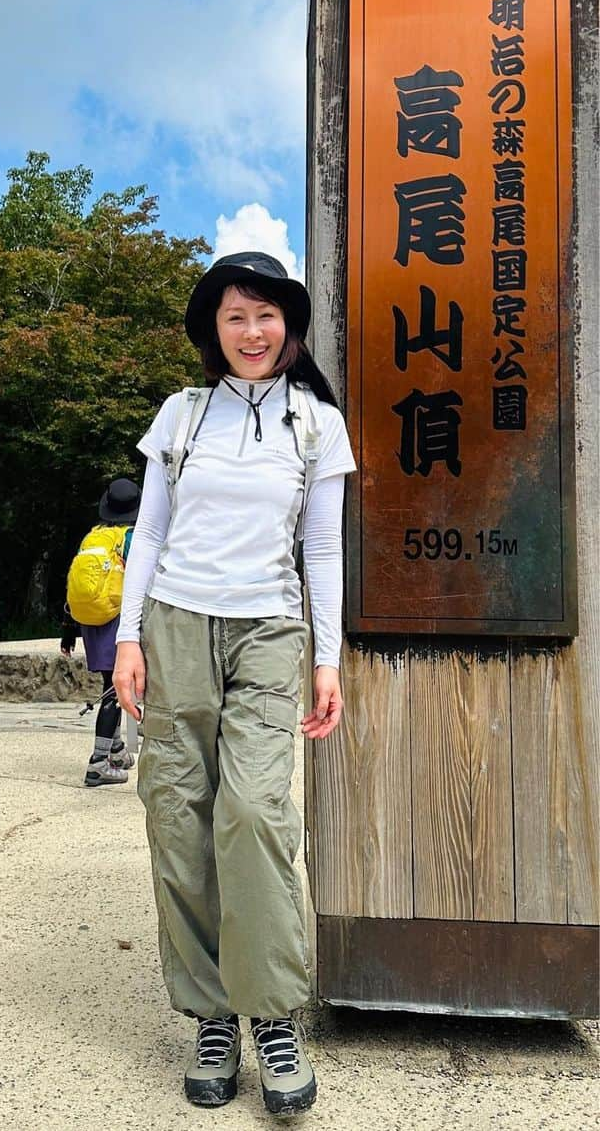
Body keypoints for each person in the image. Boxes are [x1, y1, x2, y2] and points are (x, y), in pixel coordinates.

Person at [112, 252, 356, 1116]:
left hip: (267, 631)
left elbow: (321, 549)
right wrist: (129, 637)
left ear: (289, 326)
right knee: (179, 819)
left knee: (253, 814)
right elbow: (148, 533)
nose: (252, 332)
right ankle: (213, 1014)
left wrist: (326, 659)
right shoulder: (180, 417)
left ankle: (273, 1013)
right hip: (175, 624)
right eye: (233, 317)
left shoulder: (315, 423)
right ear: (212, 330)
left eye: (265, 316)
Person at [60, 478, 142, 787]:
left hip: (90, 622)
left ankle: (117, 749)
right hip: (116, 619)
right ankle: (99, 763)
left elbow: (72, 586)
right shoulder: (131, 538)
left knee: (111, 683)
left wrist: (68, 633)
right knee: (114, 690)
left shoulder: (92, 538)